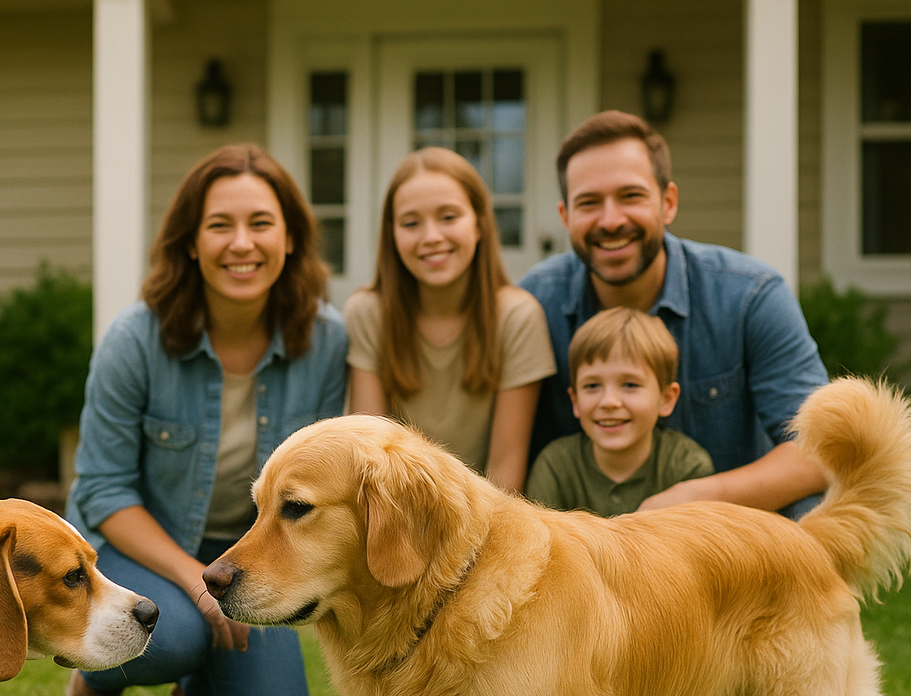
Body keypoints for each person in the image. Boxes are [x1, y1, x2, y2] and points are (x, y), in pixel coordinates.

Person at [63, 144, 347, 696]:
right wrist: (194, 579)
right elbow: (105, 490)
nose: (241, 243)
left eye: (261, 224)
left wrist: (233, 574)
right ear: (190, 243)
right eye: (220, 225)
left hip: (246, 549)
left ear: (291, 238)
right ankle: (96, 680)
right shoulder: (134, 340)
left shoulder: (326, 340)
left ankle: (197, 685)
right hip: (133, 548)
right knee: (174, 636)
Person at [521, 110, 828, 515]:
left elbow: (822, 450)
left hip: (728, 537)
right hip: (588, 555)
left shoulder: (750, 296)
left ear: (668, 203)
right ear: (566, 217)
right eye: (589, 203)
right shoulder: (535, 305)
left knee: (811, 509)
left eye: (631, 196)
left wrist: (697, 499)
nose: (611, 220)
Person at [346, 147, 555, 492]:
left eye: (448, 217)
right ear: (392, 234)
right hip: (398, 512)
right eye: (411, 223)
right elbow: (370, 458)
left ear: (479, 225)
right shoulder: (369, 313)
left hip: (485, 514)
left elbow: (505, 472)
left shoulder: (517, 317)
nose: (431, 237)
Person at [526, 306, 713, 516]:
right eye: (592, 386)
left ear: (666, 399)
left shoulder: (687, 466)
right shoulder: (555, 466)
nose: (609, 402)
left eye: (630, 385)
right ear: (575, 401)